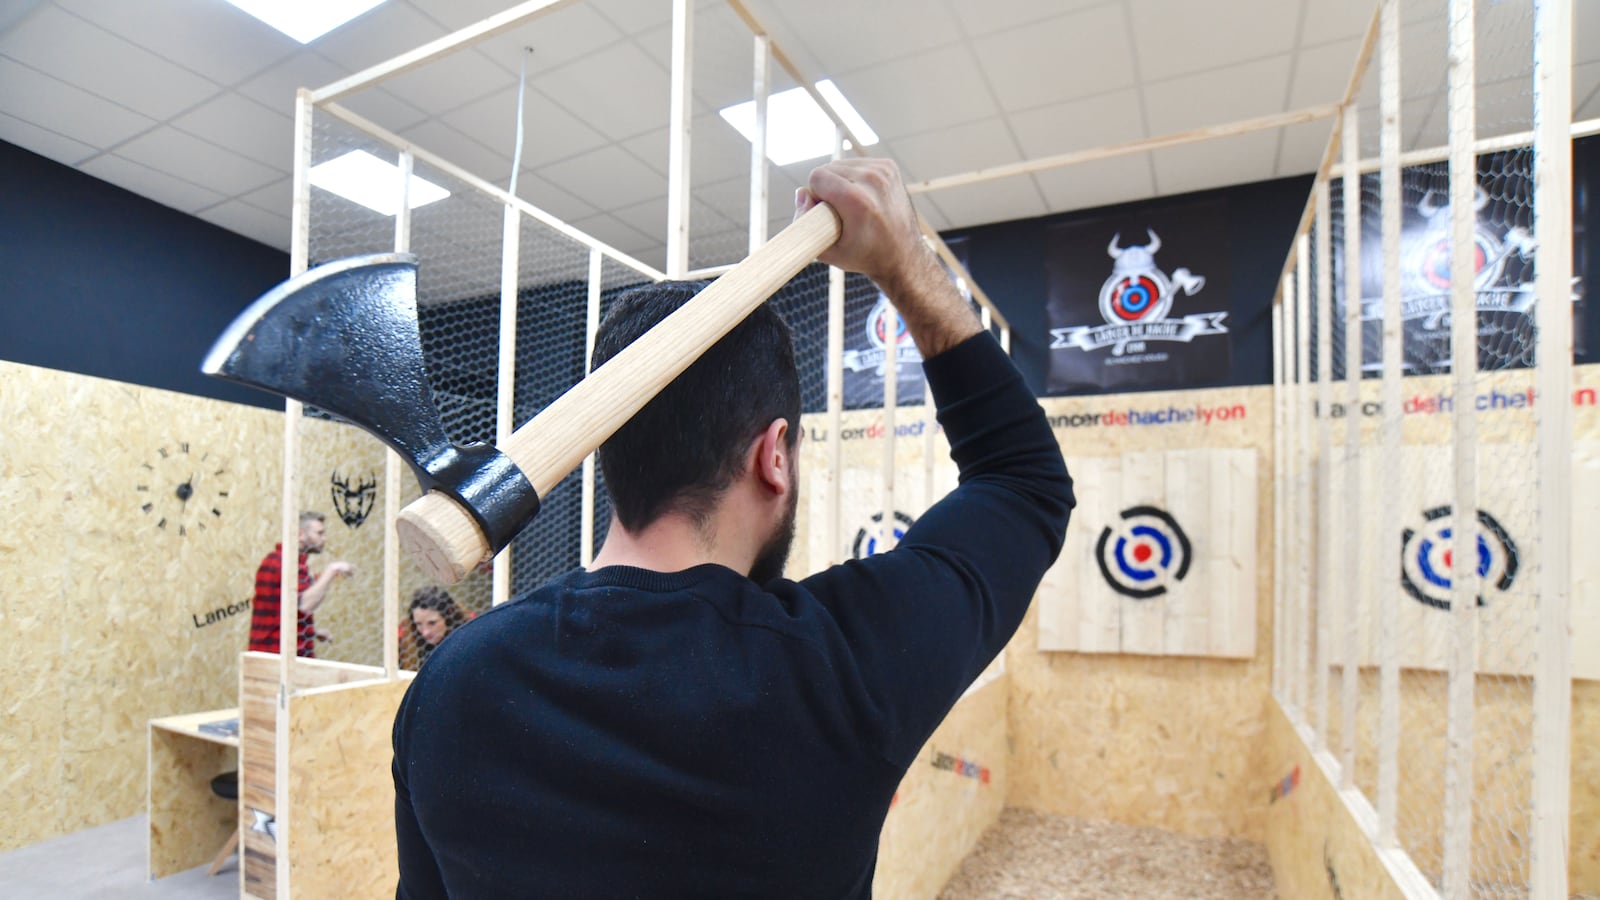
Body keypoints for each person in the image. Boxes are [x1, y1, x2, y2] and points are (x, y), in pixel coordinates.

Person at [391, 158, 1074, 898]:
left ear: (607, 452)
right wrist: (904, 262)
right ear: (772, 456)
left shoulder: (453, 683)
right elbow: (1024, 481)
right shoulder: (843, 669)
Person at [249, 510, 355, 658]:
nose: (324, 539)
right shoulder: (280, 563)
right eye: (319, 533)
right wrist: (332, 570)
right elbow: (304, 604)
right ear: (300, 534)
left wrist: (311, 632)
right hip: (274, 659)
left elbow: (286, 611)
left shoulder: (295, 563)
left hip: (288, 656)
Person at [398, 586, 468, 671]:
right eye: (419, 624)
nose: (425, 632)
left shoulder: (467, 636)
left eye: (432, 623)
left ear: (448, 616)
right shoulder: (406, 636)